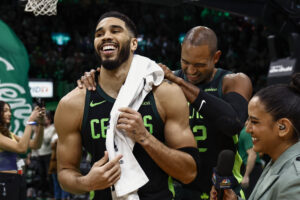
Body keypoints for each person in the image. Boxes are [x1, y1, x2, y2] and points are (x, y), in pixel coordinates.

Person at [78, 26, 252, 199]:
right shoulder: (165, 84)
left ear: (216, 57)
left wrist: (179, 82)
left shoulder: (233, 81)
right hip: (179, 190)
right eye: (185, 62)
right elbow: (120, 81)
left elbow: (233, 122)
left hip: (224, 190)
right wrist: (95, 76)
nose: (191, 71)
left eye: (199, 65)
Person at [54, 11, 199, 200]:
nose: (106, 36)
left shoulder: (165, 94)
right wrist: (87, 183)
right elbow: (65, 172)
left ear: (133, 43)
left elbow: (188, 172)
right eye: (99, 34)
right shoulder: (72, 104)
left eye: (115, 31)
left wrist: (145, 137)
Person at [210, 73, 300, 200]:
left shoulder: (295, 179)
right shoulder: (278, 162)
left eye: (255, 122)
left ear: (283, 127)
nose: (247, 129)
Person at [0, 100, 45, 199]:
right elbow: (21, 148)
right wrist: (30, 121)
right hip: (4, 180)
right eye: (5, 111)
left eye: (10, 110)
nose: (9, 113)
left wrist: (41, 124)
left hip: (18, 178)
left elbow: (35, 144)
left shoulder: (9, 134)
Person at [30, 110, 56, 198]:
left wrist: (38, 132)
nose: (44, 121)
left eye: (46, 119)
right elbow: (34, 141)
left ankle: (52, 193)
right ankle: (44, 192)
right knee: (41, 175)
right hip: (39, 156)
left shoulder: (53, 128)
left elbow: (47, 141)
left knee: (50, 176)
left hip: (48, 155)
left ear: (49, 119)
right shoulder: (40, 129)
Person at [238, 127, 263, 198]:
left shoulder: (246, 132)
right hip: (251, 168)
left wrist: (246, 176)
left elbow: (252, 154)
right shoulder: (246, 131)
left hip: (251, 170)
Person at [48, 132, 70, 200]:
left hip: (64, 163)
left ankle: (64, 197)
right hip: (55, 163)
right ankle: (58, 197)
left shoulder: (67, 135)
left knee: (64, 183)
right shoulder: (54, 135)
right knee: (56, 184)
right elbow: (52, 146)